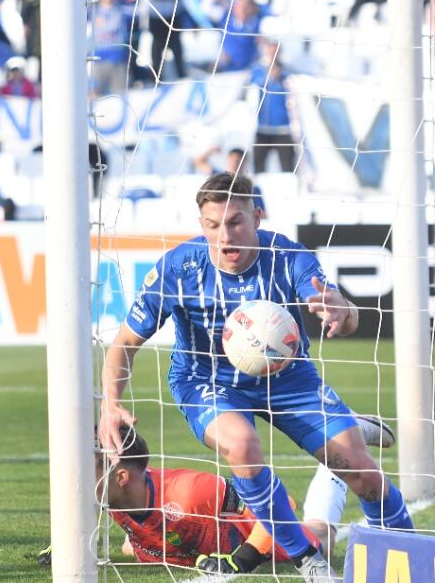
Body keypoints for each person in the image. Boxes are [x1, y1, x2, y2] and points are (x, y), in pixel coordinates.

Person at [100, 172, 413, 581]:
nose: (225, 235)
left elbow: (347, 318)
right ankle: (308, 561)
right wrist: (111, 401)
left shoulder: (290, 257)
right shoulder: (180, 267)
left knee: (361, 471)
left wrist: (342, 310)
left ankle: (407, 546)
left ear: (257, 217)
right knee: (242, 444)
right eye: (213, 225)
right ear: (202, 225)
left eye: (235, 222)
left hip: (289, 379)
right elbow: (124, 343)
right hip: (208, 382)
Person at [39, 425, 366, 575]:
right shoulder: (112, 496)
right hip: (177, 542)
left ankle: (345, 443)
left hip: (264, 539)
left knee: (321, 535)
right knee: (131, 546)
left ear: (121, 477)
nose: (75, 476)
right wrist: (67, 541)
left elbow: (279, 506)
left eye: (89, 465)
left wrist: (247, 557)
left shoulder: (190, 491)